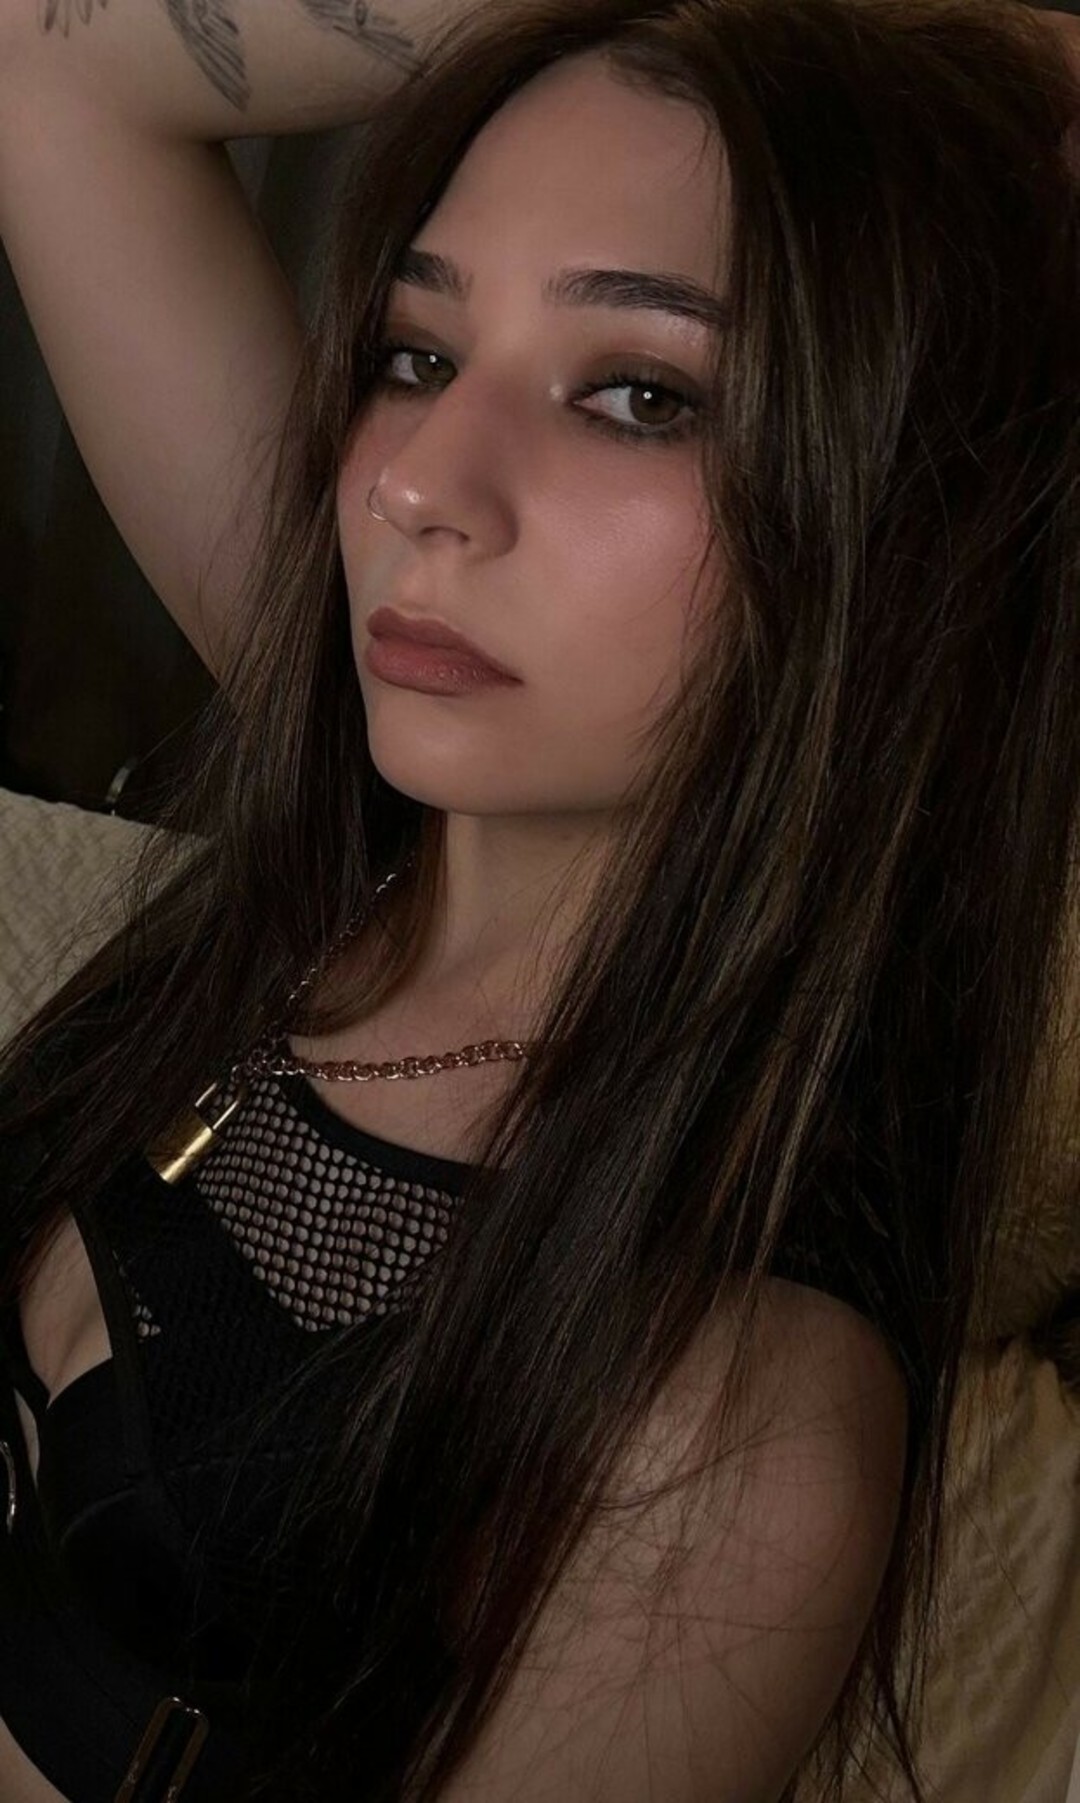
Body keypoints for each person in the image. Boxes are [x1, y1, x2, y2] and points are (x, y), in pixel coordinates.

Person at [0, 0, 1077, 1798]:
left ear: (904, 514)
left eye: (641, 396)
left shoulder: (730, 1425)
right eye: (416, 351)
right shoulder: (347, 775)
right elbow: (45, 59)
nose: (420, 483)